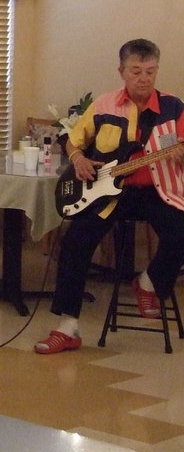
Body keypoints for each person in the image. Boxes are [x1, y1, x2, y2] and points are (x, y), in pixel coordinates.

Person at [35, 38, 184, 353]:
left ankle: (148, 283)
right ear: (122, 71)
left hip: (158, 190)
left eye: (150, 71)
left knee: (180, 231)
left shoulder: (174, 107)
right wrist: (78, 159)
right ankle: (68, 328)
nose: (143, 78)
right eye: (136, 71)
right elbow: (72, 139)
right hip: (110, 192)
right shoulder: (103, 105)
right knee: (75, 242)